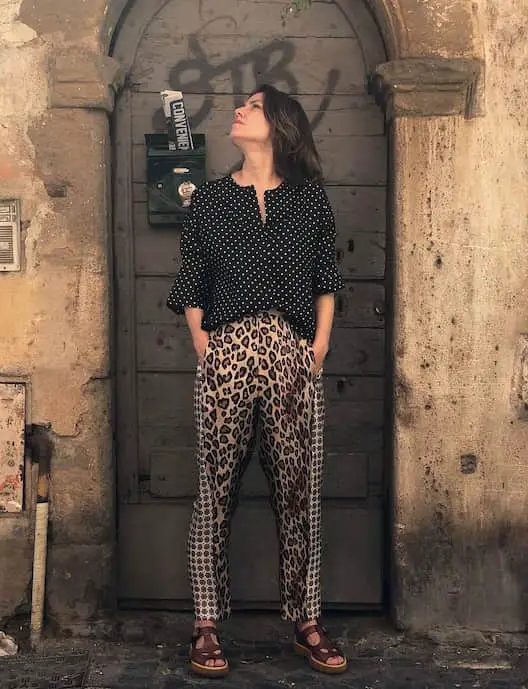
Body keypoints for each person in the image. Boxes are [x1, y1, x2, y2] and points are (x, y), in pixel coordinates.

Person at [166, 83, 347, 678]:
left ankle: (306, 619)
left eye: (253, 106)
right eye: (241, 105)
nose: (239, 111)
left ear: (279, 126)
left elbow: (327, 276)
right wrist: (203, 341)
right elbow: (191, 276)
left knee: (300, 494)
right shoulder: (212, 201)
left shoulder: (308, 200)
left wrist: (318, 345)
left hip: (292, 352)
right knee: (215, 492)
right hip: (229, 350)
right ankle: (206, 623)